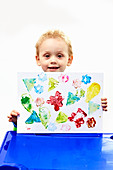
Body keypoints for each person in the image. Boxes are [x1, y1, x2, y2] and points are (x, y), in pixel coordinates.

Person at [7, 30, 108, 130]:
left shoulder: (78, 87)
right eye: (47, 56)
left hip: (69, 143)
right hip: (41, 143)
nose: (53, 60)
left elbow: (87, 115)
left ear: (69, 60)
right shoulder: (32, 90)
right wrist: (17, 123)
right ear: (38, 59)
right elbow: (26, 132)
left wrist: (98, 105)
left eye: (59, 56)